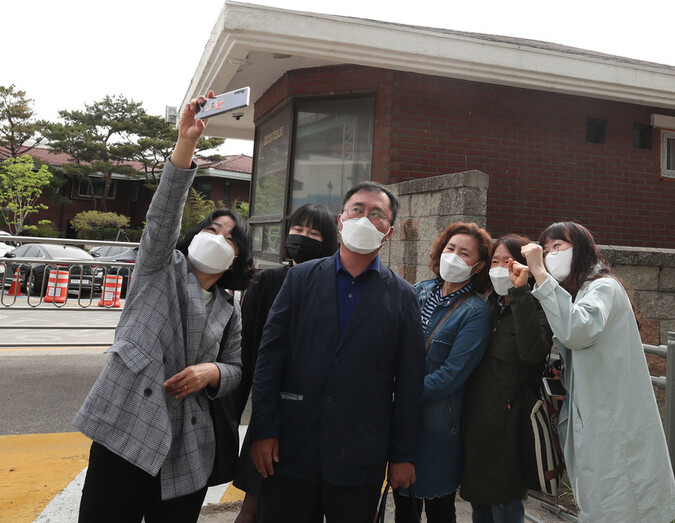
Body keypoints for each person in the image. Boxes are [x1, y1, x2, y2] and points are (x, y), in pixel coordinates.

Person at [73, 91, 253, 523]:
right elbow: (162, 217)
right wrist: (186, 142)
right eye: (212, 228)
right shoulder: (161, 266)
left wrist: (212, 373)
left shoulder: (230, 309)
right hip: (124, 425)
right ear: (192, 234)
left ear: (237, 256)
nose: (217, 237)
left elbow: (236, 369)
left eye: (230, 236)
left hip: (187, 445)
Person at [249, 181, 425, 522]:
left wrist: (403, 454)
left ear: (388, 233)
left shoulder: (403, 297)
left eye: (377, 214)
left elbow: (409, 380)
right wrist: (263, 428)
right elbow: (270, 359)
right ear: (340, 220)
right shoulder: (299, 279)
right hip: (291, 446)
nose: (364, 218)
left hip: (360, 455)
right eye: (357, 209)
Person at [518, 222, 675, 523]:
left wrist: (540, 272)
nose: (551, 254)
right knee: (606, 499)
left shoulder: (603, 287)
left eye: (558, 246)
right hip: (598, 416)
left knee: (620, 500)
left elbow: (576, 330)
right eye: (547, 247)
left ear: (580, 249)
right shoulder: (580, 290)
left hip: (612, 420)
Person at [231, 203, 339, 523]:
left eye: (314, 233)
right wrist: (235, 415)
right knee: (252, 507)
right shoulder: (265, 283)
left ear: (328, 241)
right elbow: (247, 353)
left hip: (313, 418)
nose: (303, 237)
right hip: (270, 412)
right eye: (298, 230)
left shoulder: (336, 287)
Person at [394, 222, 493, 523]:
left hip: (438, 427)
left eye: (465, 253)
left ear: (477, 266)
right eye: (450, 248)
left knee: (439, 510)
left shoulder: (475, 312)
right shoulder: (418, 291)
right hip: (401, 420)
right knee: (403, 510)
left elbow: (452, 374)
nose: (454, 256)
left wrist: (401, 395)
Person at [459, 235, 552, 523]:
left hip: (510, 425)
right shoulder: (488, 305)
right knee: (480, 507)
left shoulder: (536, 304)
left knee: (505, 505)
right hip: (477, 423)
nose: (500, 268)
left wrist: (521, 292)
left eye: (508, 262)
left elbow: (533, 353)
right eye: (495, 262)